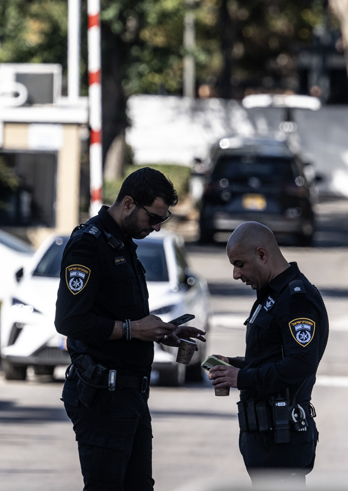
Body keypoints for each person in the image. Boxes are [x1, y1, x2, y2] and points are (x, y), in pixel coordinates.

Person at [55, 167, 206, 490]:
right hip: (102, 396)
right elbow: (69, 321)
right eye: (153, 218)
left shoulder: (121, 244)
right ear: (128, 203)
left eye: (163, 219)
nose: (157, 226)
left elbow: (123, 313)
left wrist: (163, 331)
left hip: (130, 395)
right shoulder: (89, 245)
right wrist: (132, 330)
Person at [208, 222, 329, 486]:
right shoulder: (272, 295)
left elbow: (301, 363)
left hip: (282, 441)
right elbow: (273, 358)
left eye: (239, 264)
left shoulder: (295, 299)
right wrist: (234, 365)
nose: (235, 274)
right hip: (267, 442)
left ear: (262, 255)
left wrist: (242, 378)